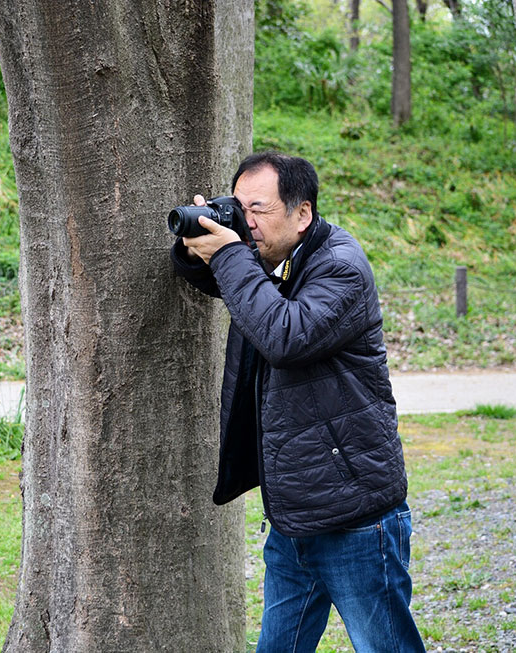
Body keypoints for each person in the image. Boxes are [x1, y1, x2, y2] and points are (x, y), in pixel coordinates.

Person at [170, 151, 425, 652]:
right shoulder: (276, 259)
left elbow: (284, 335)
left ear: (302, 213)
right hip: (293, 518)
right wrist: (197, 244)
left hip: (356, 520)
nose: (247, 223)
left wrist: (228, 254)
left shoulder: (341, 270)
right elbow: (230, 285)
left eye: (258, 209)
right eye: (238, 209)